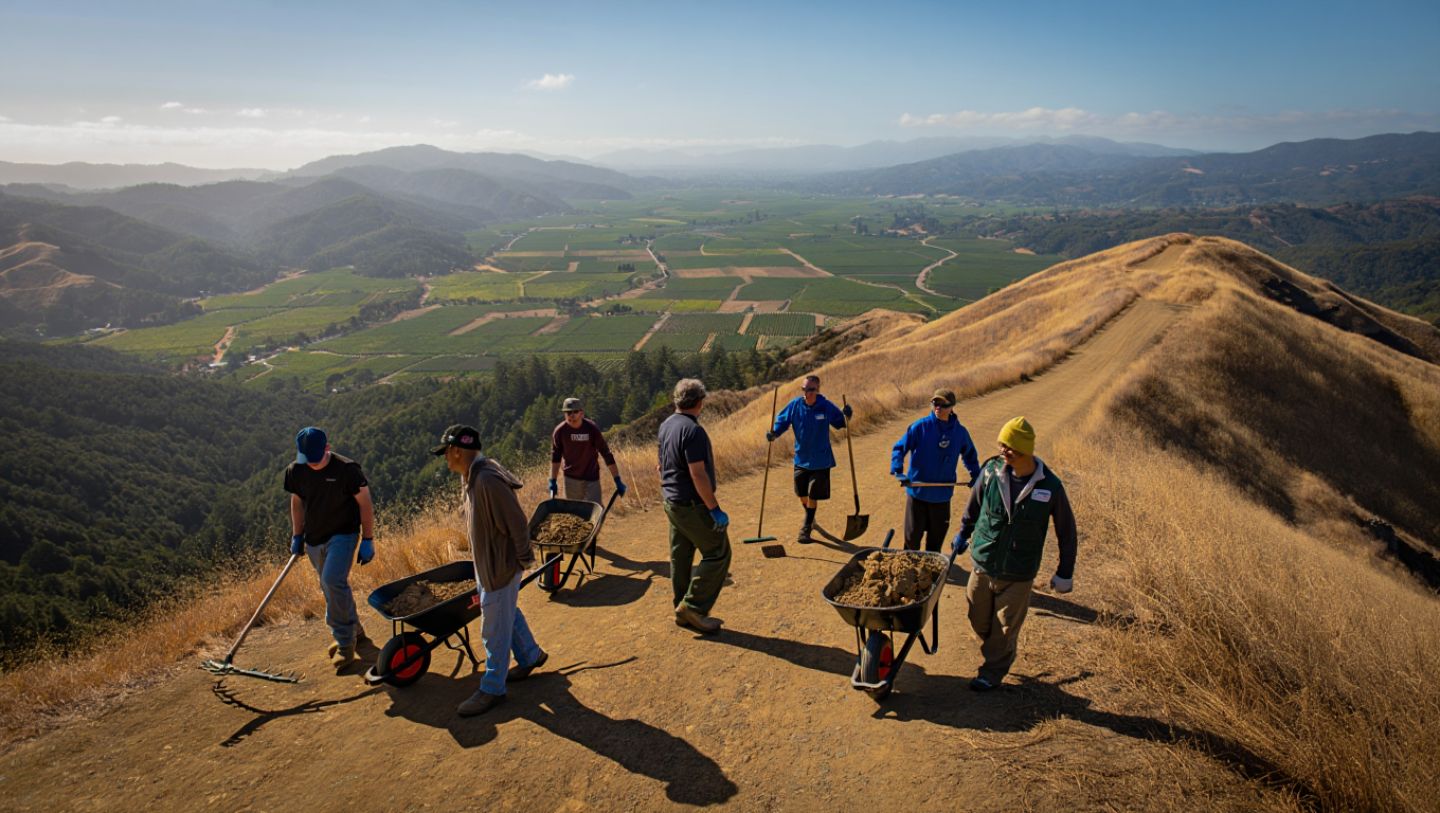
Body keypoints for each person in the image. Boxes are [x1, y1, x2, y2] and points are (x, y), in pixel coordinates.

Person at [951, 416, 1077, 692]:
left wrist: (1064, 572)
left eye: (1008, 446)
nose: (1002, 451)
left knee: (1005, 627)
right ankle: (998, 650)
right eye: (1001, 445)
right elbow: (973, 506)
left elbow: (1067, 532)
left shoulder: (1049, 486)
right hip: (984, 562)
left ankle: (992, 671)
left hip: (1019, 572)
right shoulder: (991, 472)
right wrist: (963, 533)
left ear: (1025, 450)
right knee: (977, 617)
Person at [433, 423, 548, 717]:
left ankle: (492, 688)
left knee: (493, 627)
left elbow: (517, 521)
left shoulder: (487, 481)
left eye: (446, 452)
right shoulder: (471, 477)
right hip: (488, 564)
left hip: (499, 565)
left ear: (457, 451)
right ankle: (530, 655)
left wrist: (523, 558)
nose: (445, 458)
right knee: (506, 611)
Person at [283, 426, 375, 672]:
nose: (312, 464)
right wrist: (297, 535)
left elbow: (365, 502)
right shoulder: (296, 470)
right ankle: (356, 630)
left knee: (332, 581)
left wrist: (368, 539)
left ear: (327, 447)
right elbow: (297, 501)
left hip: (343, 534)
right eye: (307, 458)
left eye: (316, 457)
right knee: (331, 587)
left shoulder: (347, 470)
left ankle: (345, 644)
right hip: (314, 539)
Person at [657, 378, 731, 635]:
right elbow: (697, 474)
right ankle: (693, 607)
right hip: (691, 504)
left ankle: (681, 608)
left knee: (682, 555)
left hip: (671, 502)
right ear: (700, 402)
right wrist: (713, 509)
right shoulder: (693, 430)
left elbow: (661, 466)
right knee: (718, 552)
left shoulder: (667, 425)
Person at [890, 389, 981, 552]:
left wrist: (976, 475)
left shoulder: (960, 433)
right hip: (917, 493)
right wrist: (898, 470)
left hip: (942, 496)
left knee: (935, 542)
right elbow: (899, 448)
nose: (938, 407)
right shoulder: (920, 427)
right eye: (935, 403)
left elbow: (970, 455)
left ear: (952, 406)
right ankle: (908, 570)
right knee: (912, 539)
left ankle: (930, 574)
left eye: (942, 404)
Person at [767, 375, 852, 543]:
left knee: (813, 494)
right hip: (801, 458)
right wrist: (774, 433)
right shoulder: (795, 406)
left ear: (818, 389)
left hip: (821, 460)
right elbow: (782, 422)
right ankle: (810, 517)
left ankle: (806, 527)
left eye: (811, 389)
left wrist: (847, 416)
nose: (808, 393)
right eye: (805, 389)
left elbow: (840, 423)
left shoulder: (825, 406)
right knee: (802, 494)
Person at [549, 397, 626, 503]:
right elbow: (556, 457)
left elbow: (606, 453)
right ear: (564, 414)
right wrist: (553, 480)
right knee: (573, 515)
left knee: (594, 512)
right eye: (568, 412)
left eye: (575, 412)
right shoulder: (560, 432)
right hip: (571, 479)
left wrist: (617, 479)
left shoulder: (591, 429)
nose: (572, 415)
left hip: (592, 478)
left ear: (582, 413)